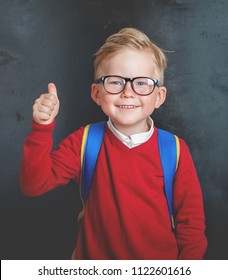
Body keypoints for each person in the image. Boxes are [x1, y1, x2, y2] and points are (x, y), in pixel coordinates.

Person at [20, 27, 207, 259]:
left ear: (159, 96)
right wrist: (42, 126)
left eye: (142, 83)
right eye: (115, 82)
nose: (128, 92)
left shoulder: (175, 150)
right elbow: (33, 184)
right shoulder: (84, 141)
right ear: (97, 93)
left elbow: (192, 228)